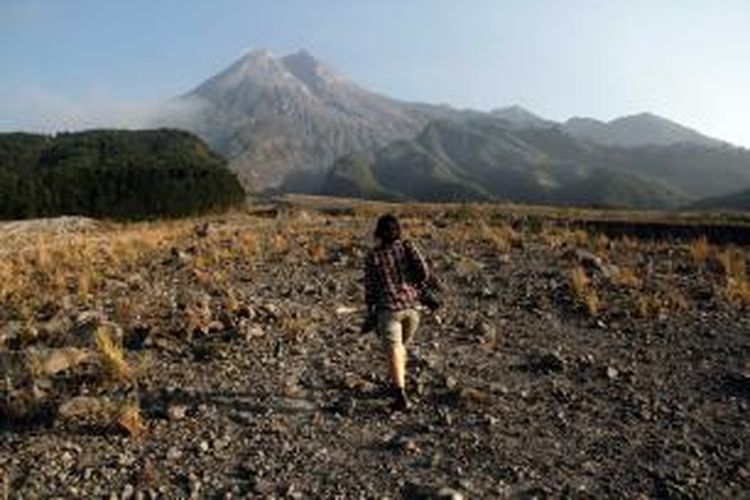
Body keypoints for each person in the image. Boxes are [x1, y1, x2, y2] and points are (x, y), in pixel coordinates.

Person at [364, 214, 430, 412]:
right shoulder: (407, 247)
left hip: (388, 310)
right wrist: (416, 289)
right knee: (400, 348)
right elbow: (425, 272)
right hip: (412, 309)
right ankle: (397, 383)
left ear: (378, 232)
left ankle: (399, 393)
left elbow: (370, 288)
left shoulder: (373, 256)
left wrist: (370, 311)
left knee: (394, 349)